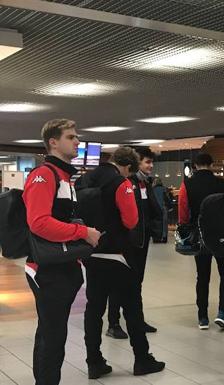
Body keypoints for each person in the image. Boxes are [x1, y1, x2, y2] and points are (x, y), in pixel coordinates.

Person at [23, 119, 101, 385]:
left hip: (62, 266)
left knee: (51, 333)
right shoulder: (44, 175)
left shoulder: (66, 177)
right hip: (46, 270)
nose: (77, 141)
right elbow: (39, 222)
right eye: (71, 137)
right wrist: (83, 233)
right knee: (52, 337)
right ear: (53, 143)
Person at [80, 147, 165, 379]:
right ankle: (142, 359)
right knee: (132, 308)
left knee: (94, 309)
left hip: (91, 252)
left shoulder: (85, 178)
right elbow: (131, 220)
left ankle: (94, 362)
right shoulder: (121, 183)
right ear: (128, 166)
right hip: (118, 255)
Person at [107, 147, 162, 338]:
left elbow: (153, 210)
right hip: (127, 242)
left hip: (142, 241)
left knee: (137, 281)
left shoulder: (145, 184)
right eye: (147, 162)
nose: (150, 166)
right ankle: (113, 323)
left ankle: (137, 319)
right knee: (119, 282)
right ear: (135, 163)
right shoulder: (126, 183)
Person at [178, 152, 224, 330]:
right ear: (211, 165)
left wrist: (185, 228)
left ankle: (202, 317)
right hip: (222, 235)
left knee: (202, 276)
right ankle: (222, 313)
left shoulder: (187, 184)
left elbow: (183, 211)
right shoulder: (222, 183)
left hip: (200, 235)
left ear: (194, 166)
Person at [152, 177, 171, 243]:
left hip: (154, 209)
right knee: (164, 223)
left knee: (155, 223)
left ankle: (156, 238)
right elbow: (167, 199)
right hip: (163, 208)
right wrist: (170, 207)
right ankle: (164, 237)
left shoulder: (152, 190)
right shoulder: (164, 189)